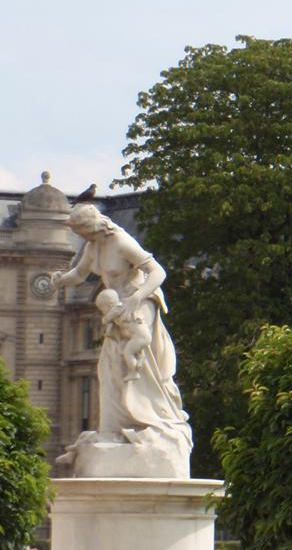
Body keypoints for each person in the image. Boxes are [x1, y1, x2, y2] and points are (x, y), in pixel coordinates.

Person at [50, 204, 192, 475]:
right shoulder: (93, 246)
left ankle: (153, 417)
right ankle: (113, 429)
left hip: (138, 304)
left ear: (91, 225)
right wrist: (60, 281)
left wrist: (137, 298)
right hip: (115, 309)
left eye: (80, 230)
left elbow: (158, 272)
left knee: (138, 367)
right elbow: (80, 274)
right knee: (109, 368)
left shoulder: (122, 241)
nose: (80, 236)